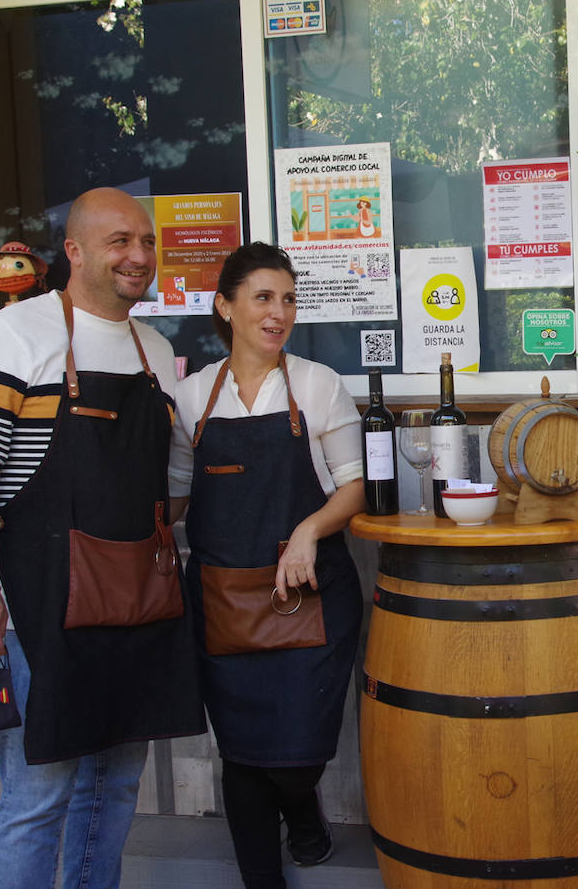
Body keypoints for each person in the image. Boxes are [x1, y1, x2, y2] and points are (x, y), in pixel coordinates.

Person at [0, 187, 206, 888]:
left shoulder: (155, 348)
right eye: (119, 241)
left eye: (145, 241)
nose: (138, 255)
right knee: (40, 792)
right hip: (43, 595)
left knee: (115, 783)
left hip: (137, 596)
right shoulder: (18, 333)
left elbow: (168, 475)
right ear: (75, 252)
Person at [168, 242, 365, 888]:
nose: (278, 312)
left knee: (295, 758)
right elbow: (174, 497)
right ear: (225, 306)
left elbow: (353, 489)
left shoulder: (315, 384)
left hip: (308, 596)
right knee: (245, 756)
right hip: (225, 602)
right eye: (262, 297)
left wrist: (308, 531)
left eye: (287, 299)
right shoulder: (193, 397)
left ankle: (303, 811)